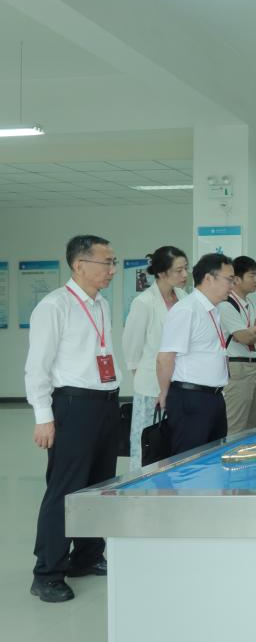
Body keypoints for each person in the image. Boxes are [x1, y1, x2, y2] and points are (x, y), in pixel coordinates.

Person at [25, 235, 120, 603]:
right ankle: (47, 571)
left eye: (113, 262)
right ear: (80, 265)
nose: (112, 270)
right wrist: (43, 417)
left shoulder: (101, 304)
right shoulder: (54, 306)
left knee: (98, 485)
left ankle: (87, 555)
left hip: (105, 404)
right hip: (72, 406)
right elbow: (37, 367)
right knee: (65, 490)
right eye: (106, 262)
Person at [156, 254, 234, 456]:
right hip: (191, 399)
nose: (232, 285)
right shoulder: (186, 309)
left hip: (214, 398)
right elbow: (165, 358)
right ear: (208, 278)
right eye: (229, 279)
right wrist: (164, 393)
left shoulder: (213, 310)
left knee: (214, 459)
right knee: (189, 462)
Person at [122, 245, 188, 470]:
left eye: (186, 268)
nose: (185, 274)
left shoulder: (183, 297)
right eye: (178, 270)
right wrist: (146, 380)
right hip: (151, 386)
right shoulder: (144, 302)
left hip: (180, 382)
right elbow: (131, 348)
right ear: (161, 273)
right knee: (150, 445)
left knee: (173, 445)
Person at [219, 255, 256, 433]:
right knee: (235, 425)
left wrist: (252, 331)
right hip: (237, 368)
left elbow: (255, 334)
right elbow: (245, 337)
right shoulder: (226, 305)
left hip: (254, 366)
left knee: (251, 425)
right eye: (251, 275)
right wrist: (252, 331)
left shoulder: (250, 304)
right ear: (236, 279)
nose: (255, 280)